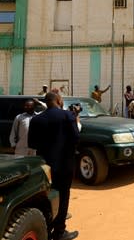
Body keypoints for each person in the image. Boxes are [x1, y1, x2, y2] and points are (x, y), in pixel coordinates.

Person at [28, 92, 80, 240]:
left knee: (45, 196)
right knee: (63, 197)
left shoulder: (36, 119)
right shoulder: (68, 116)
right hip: (65, 165)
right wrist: (75, 119)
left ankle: (47, 226)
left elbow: (31, 144)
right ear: (58, 100)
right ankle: (59, 232)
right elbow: (76, 138)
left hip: (45, 166)